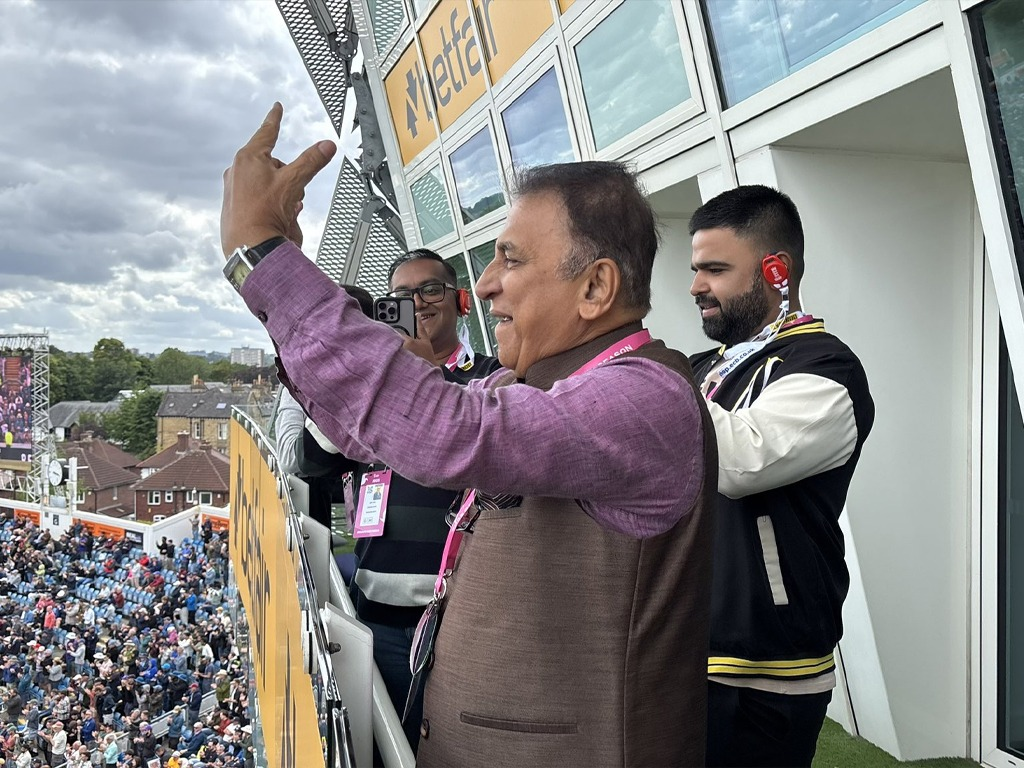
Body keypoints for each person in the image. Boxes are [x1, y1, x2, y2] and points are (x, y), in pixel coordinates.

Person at [221, 103, 716, 766]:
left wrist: (261, 257)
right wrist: (279, 291)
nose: (482, 286)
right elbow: (372, 436)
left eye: (509, 259)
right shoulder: (532, 384)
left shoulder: (644, 397)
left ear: (596, 287)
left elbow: (442, 431)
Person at [275, 249, 500, 752]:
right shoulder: (373, 395)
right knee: (382, 747)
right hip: (375, 617)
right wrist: (353, 384)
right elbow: (309, 461)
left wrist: (425, 377)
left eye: (431, 290)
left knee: (451, 750)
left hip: (458, 620)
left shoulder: (491, 378)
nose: (417, 303)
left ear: (461, 301)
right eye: (400, 296)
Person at [687, 185, 875, 767]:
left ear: (776, 270)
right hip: (684, 650)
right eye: (696, 270)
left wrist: (649, 383)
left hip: (769, 669)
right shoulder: (701, 368)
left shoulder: (827, 367)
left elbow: (741, 461)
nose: (696, 286)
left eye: (716, 270)